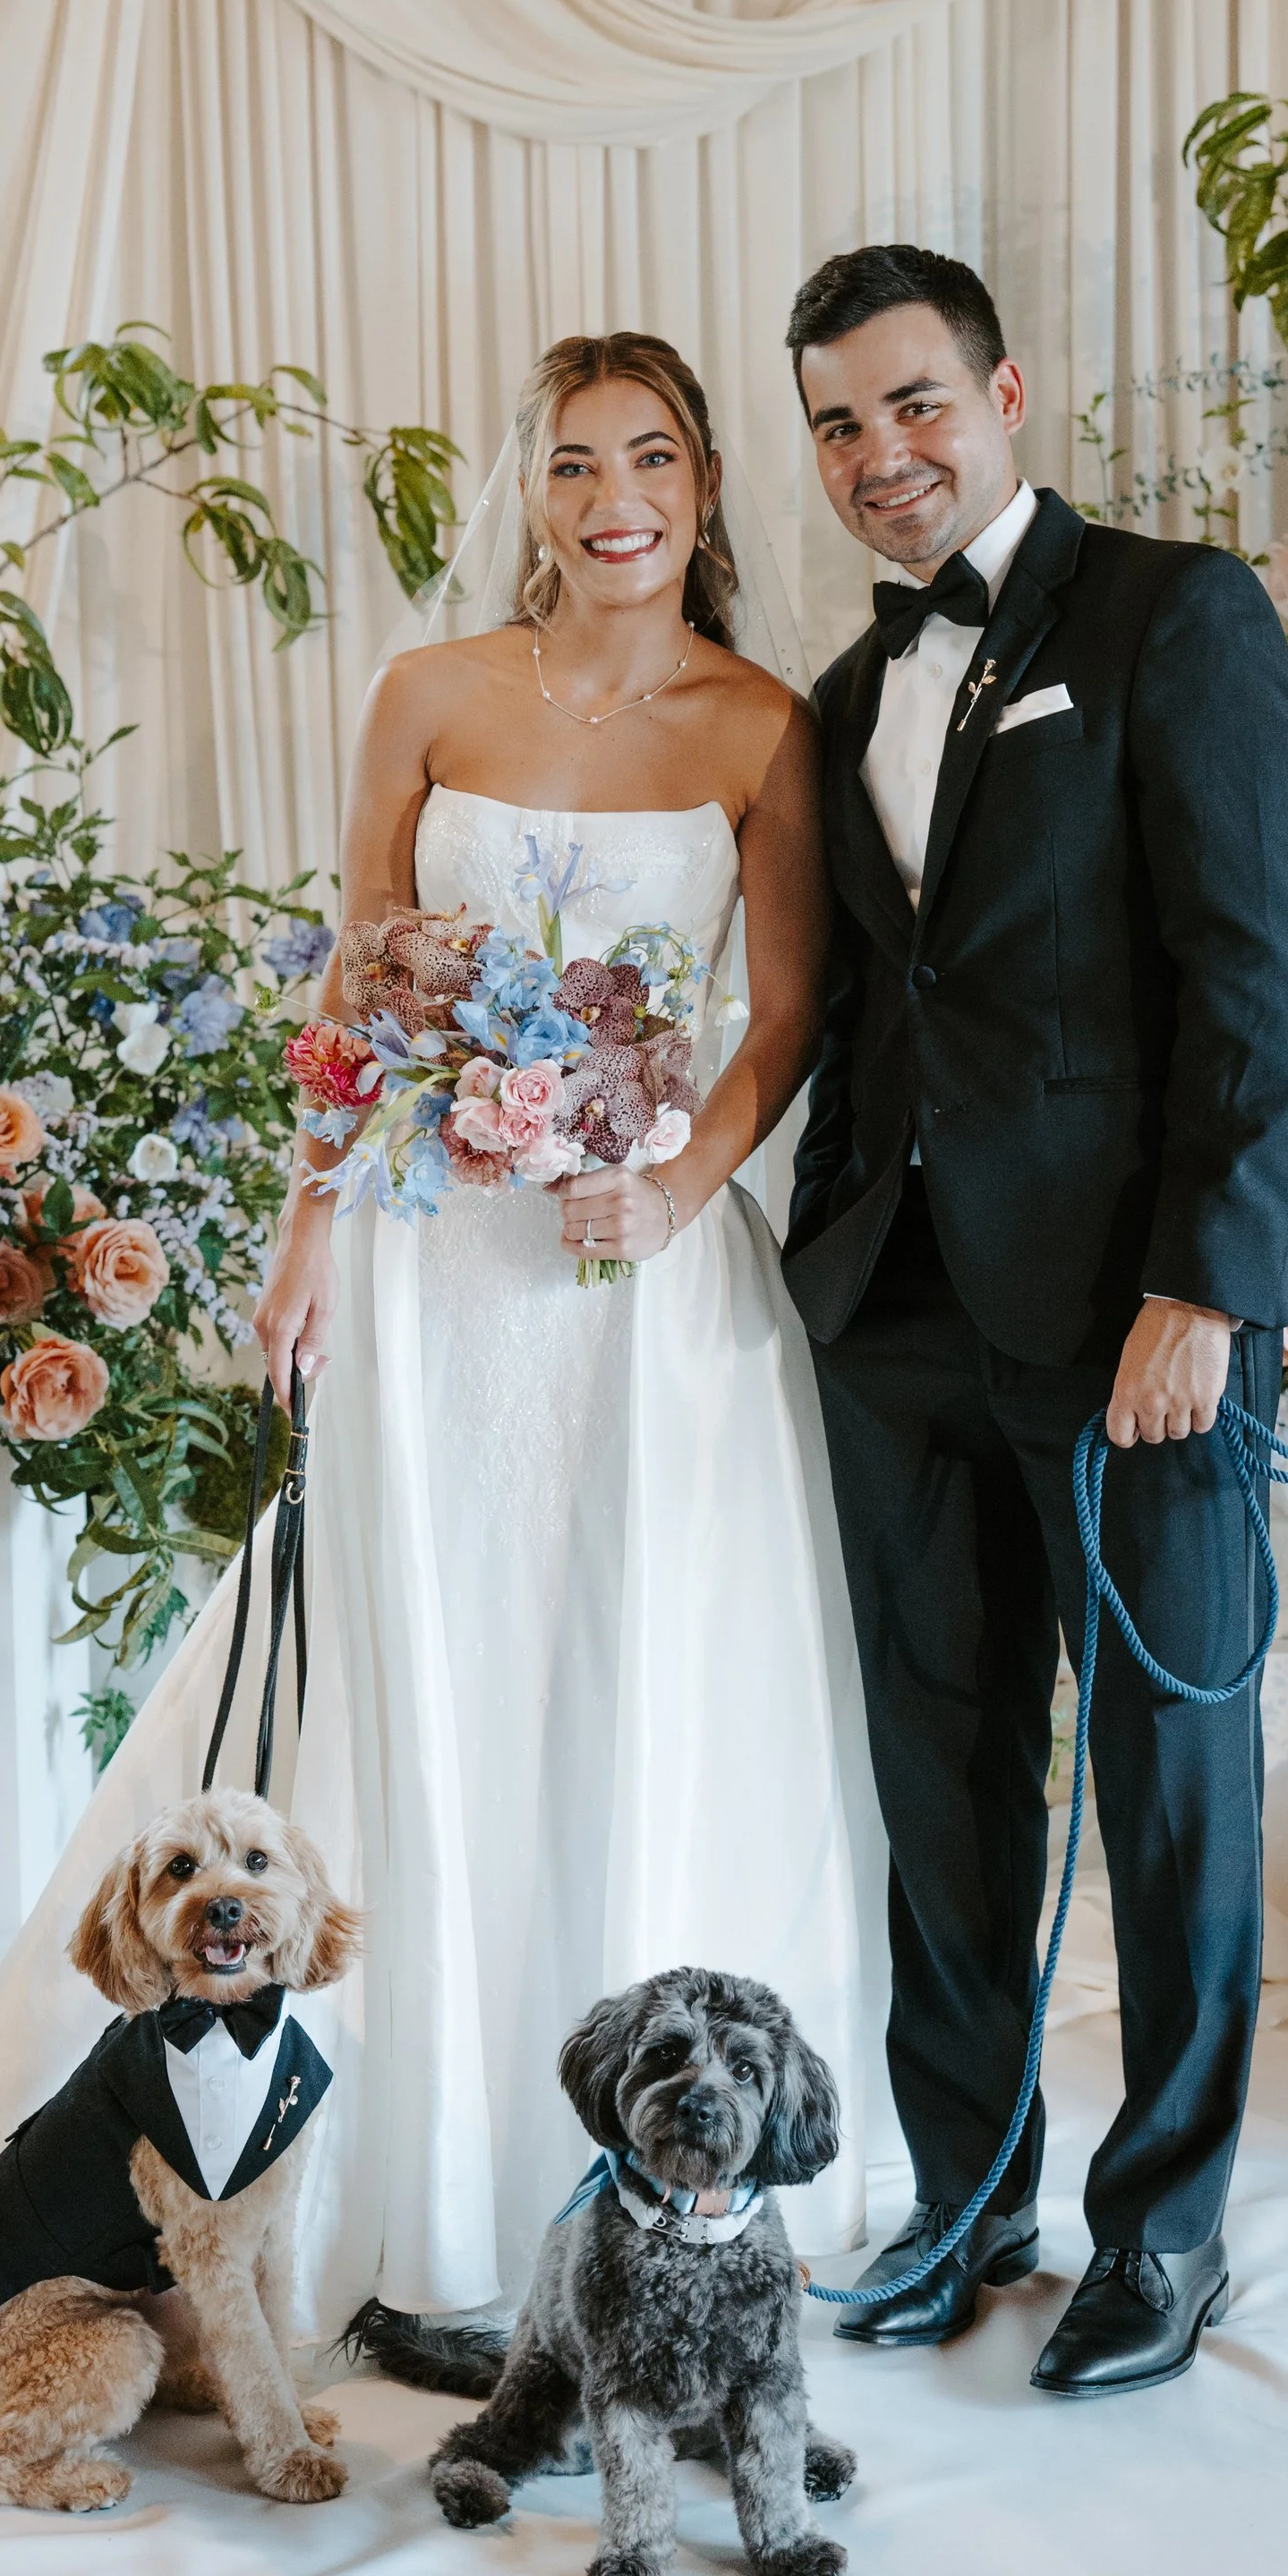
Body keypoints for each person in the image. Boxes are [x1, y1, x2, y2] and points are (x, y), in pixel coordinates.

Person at [249, 329, 873, 2336]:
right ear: (529, 489)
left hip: (632, 1280)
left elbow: (780, 1020)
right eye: (576, 462)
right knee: (441, 1678)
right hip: (435, 1263)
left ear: (703, 487)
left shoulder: (765, 725)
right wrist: (306, 1226)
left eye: (656, 459)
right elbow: (357, 978)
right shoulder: (423, 693)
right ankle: (413, 2183)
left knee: (622, 1676)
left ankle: (638, 2199)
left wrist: (676, 1186)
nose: (616, 499)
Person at [780, 243, 1288, 2395]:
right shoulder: (842, 699)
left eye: (911, 404)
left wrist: (1206, 1276)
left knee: (1171, 1774)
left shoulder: (1167, 616)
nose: (878, 455)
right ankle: (966, 2193)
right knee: (941, 1781)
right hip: (893, 1315)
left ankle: (1163, 2234)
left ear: (1003, 393)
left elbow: (1256, 973)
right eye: (835, 423)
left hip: (1131, 1317)